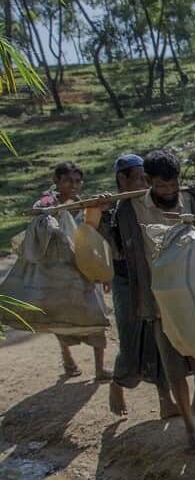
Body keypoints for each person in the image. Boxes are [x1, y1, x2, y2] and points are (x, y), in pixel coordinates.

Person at [98, 150, 195, 450]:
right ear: (148, 181)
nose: (170, 191)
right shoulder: (128, 210)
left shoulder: (192, 199)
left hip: (194, 299)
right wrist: (100, 211)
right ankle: (189, 422)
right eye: (162, 186)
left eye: (173, 184)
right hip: (159, 302)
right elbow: (115, 246)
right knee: (173, 366)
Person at [31, 160, 111, 381]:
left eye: (77, 181)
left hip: (84, 271)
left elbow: (94, 238)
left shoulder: (83, 206)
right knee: (59, 318)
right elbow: (40, 228)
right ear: (56, 181)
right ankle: (68, 359)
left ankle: (100, 368)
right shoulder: (47, 205)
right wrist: (49, 212)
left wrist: (103, 273)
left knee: (96, 316)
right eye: (68, 181)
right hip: (57, 274)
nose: (73, 185)